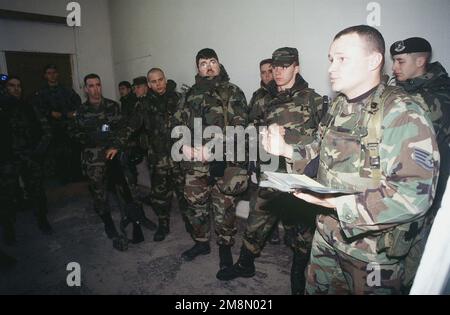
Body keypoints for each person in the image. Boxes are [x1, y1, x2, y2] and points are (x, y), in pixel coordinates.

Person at [263, 25, 439, 294]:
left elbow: (413, 196)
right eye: (331, 59)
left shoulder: (402, 112)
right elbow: (319, 153)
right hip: (327, 235)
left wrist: (336, 202)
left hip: (373, 253)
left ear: (374, 60)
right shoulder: (338, 106)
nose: (332, 67)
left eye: (342, 59)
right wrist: (287, 149)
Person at [217, 48, 323, 295]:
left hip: (300, 178)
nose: (277, 71)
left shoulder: (314, 100)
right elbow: (251, 134)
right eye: (274, 67)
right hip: (270, 175)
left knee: (302, 233)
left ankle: (298, 276)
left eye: (283, 66)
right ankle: (245, 264)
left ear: (296, 67)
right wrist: (246, 164)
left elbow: (324, 142)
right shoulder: (264, 99)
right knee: (256, 222)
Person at [179, 48, 248, 279]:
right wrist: (184, 145)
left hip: (224, 162)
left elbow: (240, 125)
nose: (208, 66)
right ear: (197, 68)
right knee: (195, 207)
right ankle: (201, 242)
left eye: (212, 61)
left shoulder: (233, 91)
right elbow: (176, 124)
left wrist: (215, 148)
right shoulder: (189, 95)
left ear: (219, 64)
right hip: (195, 163)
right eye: (202, 63)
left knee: (224, 208)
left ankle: (225, 249)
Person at [390, 37, 450, 292]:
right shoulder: (401, 87)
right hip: (395, 182)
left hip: (427, 189)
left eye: (400, 61)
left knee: (415, 257)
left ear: (421, 61)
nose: (394, 67)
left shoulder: (441, 94)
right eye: (393, 60)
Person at [4, 76, 53, 239]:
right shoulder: (3, 109)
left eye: (19, 86)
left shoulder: (30, 107)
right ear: (6, 88)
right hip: (8, 159)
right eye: (12, 86)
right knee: (7, 195)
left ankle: (42, 219)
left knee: (37, 190)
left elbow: (46, 130)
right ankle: (9, 228)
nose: (16, 89)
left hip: (29, 156)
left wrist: (38, 151)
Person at [32, 64, 82, 184]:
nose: (52, 75)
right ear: (45, 76)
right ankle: (63, 178)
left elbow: (78, 103)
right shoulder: (41, 93)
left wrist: (73, 113)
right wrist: (50, 113)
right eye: (49, 73)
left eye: (54, 72)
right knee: (59, 154)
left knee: (74, 151)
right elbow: (37, 108)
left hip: (70, 126)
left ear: (58, 74)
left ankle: (76, 176)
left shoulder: (67, 90)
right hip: (53, 128)